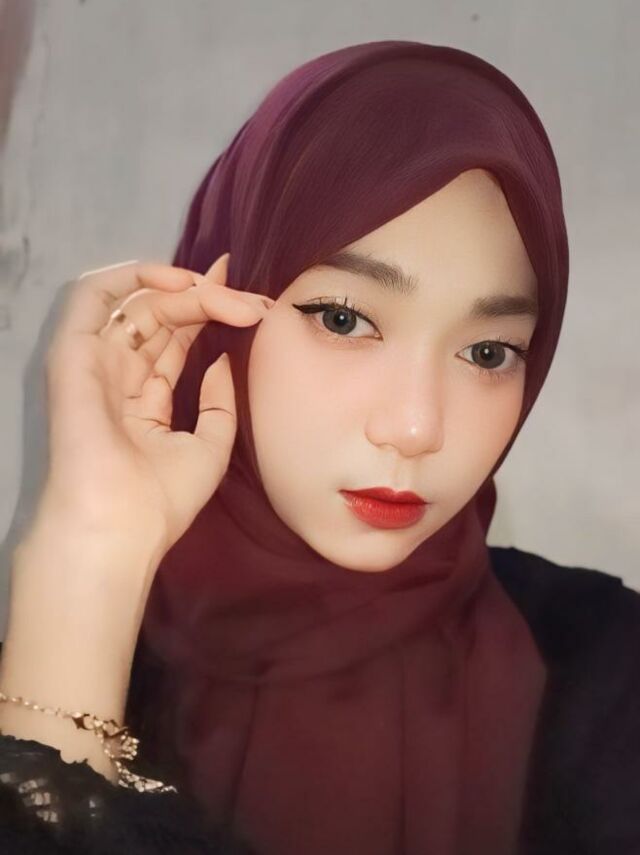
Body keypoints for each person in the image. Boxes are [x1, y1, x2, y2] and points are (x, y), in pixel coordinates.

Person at [0, 39, 638, 855]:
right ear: (223, 311)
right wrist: (86, 560)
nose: (415, 427)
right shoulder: (66, 634)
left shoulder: (602, 671)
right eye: (344, 318)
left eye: (488, 352)